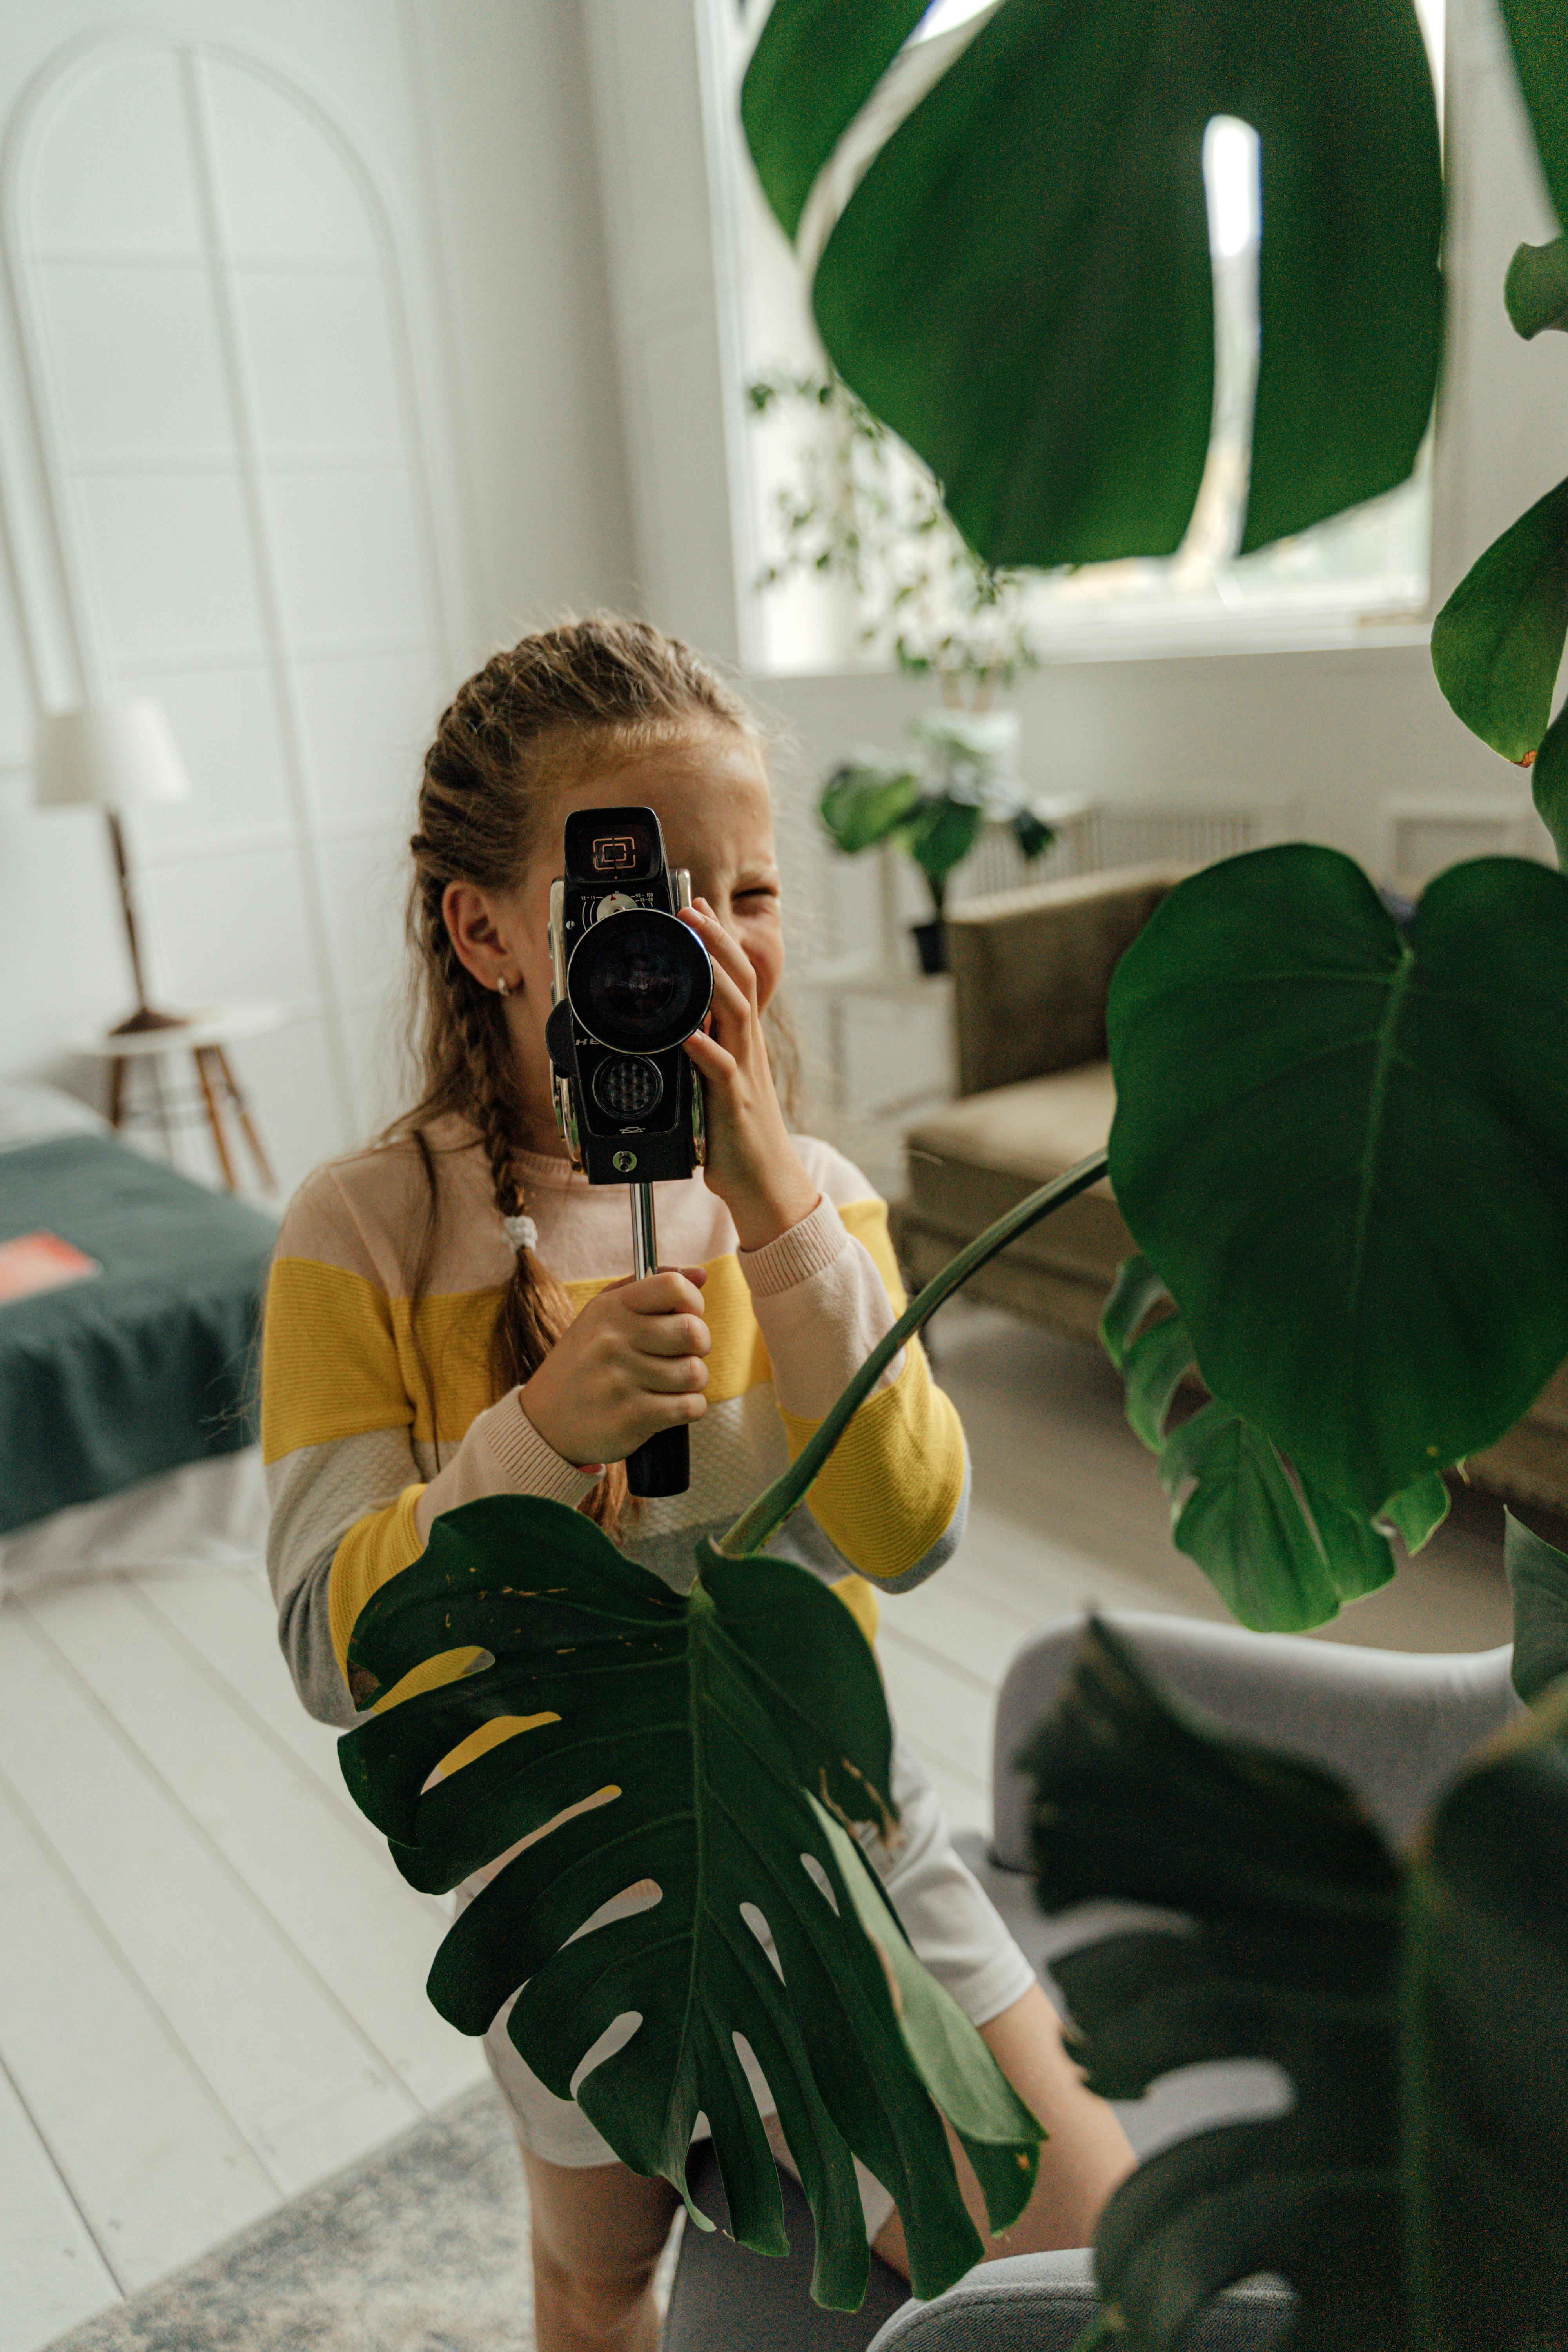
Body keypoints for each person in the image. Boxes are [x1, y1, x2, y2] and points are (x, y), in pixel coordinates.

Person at [261, 616, 1132, 2352]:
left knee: (1108, 2291)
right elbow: (322, 1639)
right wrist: (530, 1439)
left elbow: (915, 1525)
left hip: (840, 1855)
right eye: (644, 898)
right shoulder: (363, 1232)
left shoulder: (809, 1200)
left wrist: (778, 1216)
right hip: (572, 1889)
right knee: (595, 2282)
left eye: (745, 893)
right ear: (488, 931)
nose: (709, 943)